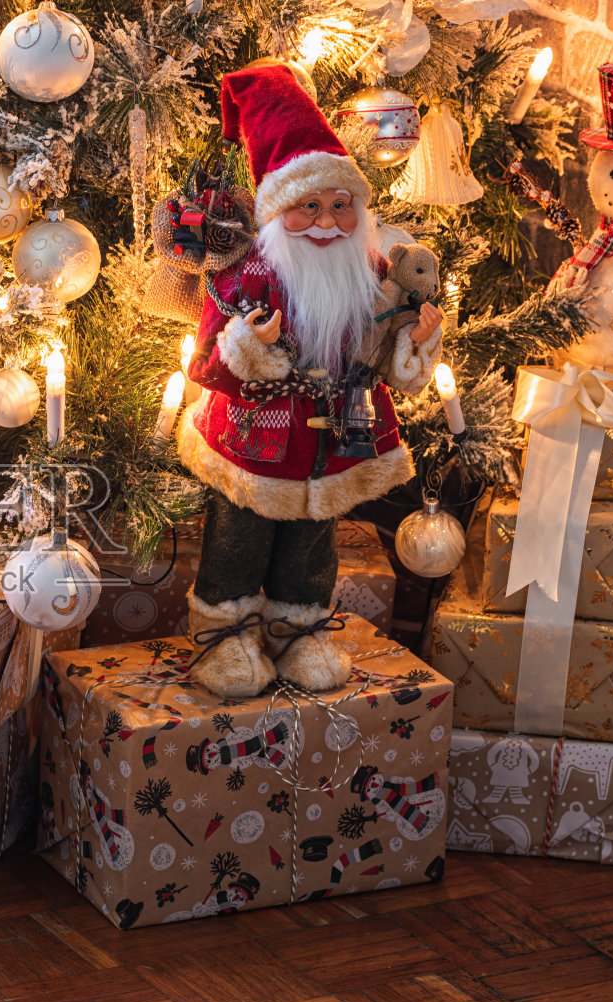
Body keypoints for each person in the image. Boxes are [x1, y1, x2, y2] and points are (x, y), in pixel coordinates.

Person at [180, 63, 443, 697]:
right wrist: (252, 346)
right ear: (278, 209)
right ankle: (224, 635)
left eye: (340, 205)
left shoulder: (372, 270)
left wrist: (417, 338)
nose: (327, 221)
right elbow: (208, 362)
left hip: (332, 443)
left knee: (312, 543)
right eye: (308, 207)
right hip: (255, 441)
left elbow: (387, 355)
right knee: (237, 539)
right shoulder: (247, 275)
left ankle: (299, 629)